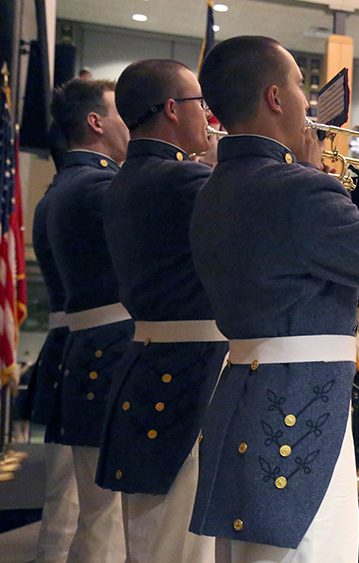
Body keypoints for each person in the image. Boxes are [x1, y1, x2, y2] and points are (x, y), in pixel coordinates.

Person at [188, 36, 359, 561]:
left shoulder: (219, 185)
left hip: (255, 399)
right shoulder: (296, 189)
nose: (307, 103)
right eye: (298, 86)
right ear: (274, 98)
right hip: (296, 411)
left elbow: (311, 268)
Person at [95, 58, 228, 563]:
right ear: (172, 109)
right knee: (180, 543)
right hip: (189, 369)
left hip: (151, 360)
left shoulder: (133, 175)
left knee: (153, 539)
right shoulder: (179, 180)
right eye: (201, 103)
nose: (209, 115)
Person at [46, 77, 131, 562]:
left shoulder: (70, 182)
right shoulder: (99, 185)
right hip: (111, 352)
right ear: (97, 123)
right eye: (123, 113)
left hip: (95, 351)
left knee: (101, 515)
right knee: (105, 519)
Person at [30, 102, 78, 563]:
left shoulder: (59, 191)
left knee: (69, 501)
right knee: (72, 503)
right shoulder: (88, 189)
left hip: (72, 347)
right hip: (85, 347)